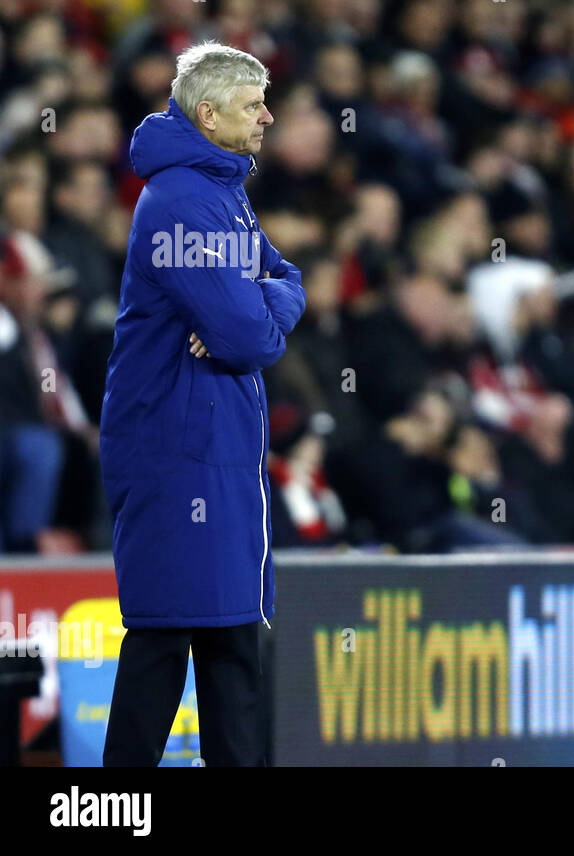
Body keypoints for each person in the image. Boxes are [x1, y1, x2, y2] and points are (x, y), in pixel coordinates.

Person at [99, 43, 303, 766]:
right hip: (175, 455)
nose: (268, 118)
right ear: (207, 113)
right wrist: (254, 310)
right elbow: (248, 336)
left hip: (217, 452)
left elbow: (287, 279)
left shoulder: (223, 191)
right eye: (254, 106)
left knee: (232, 641)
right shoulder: (181, 201)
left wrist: (262, 299)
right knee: (164, 641)